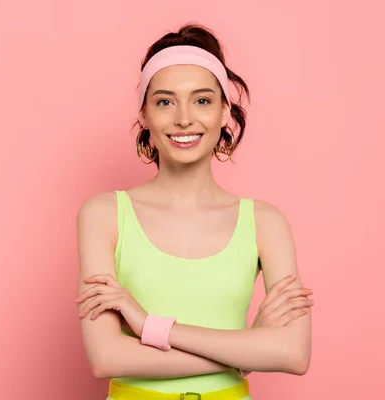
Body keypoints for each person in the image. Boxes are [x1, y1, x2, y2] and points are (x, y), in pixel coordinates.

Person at [75, 24, 313, 400]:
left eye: (202, 100)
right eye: (165, 101)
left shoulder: (266, 222)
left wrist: (150, 327)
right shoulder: (104, 214)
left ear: (224, 113)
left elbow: (294, 354)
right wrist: (247, 349)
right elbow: (106, 358)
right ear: (145, 116)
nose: (184, 118)